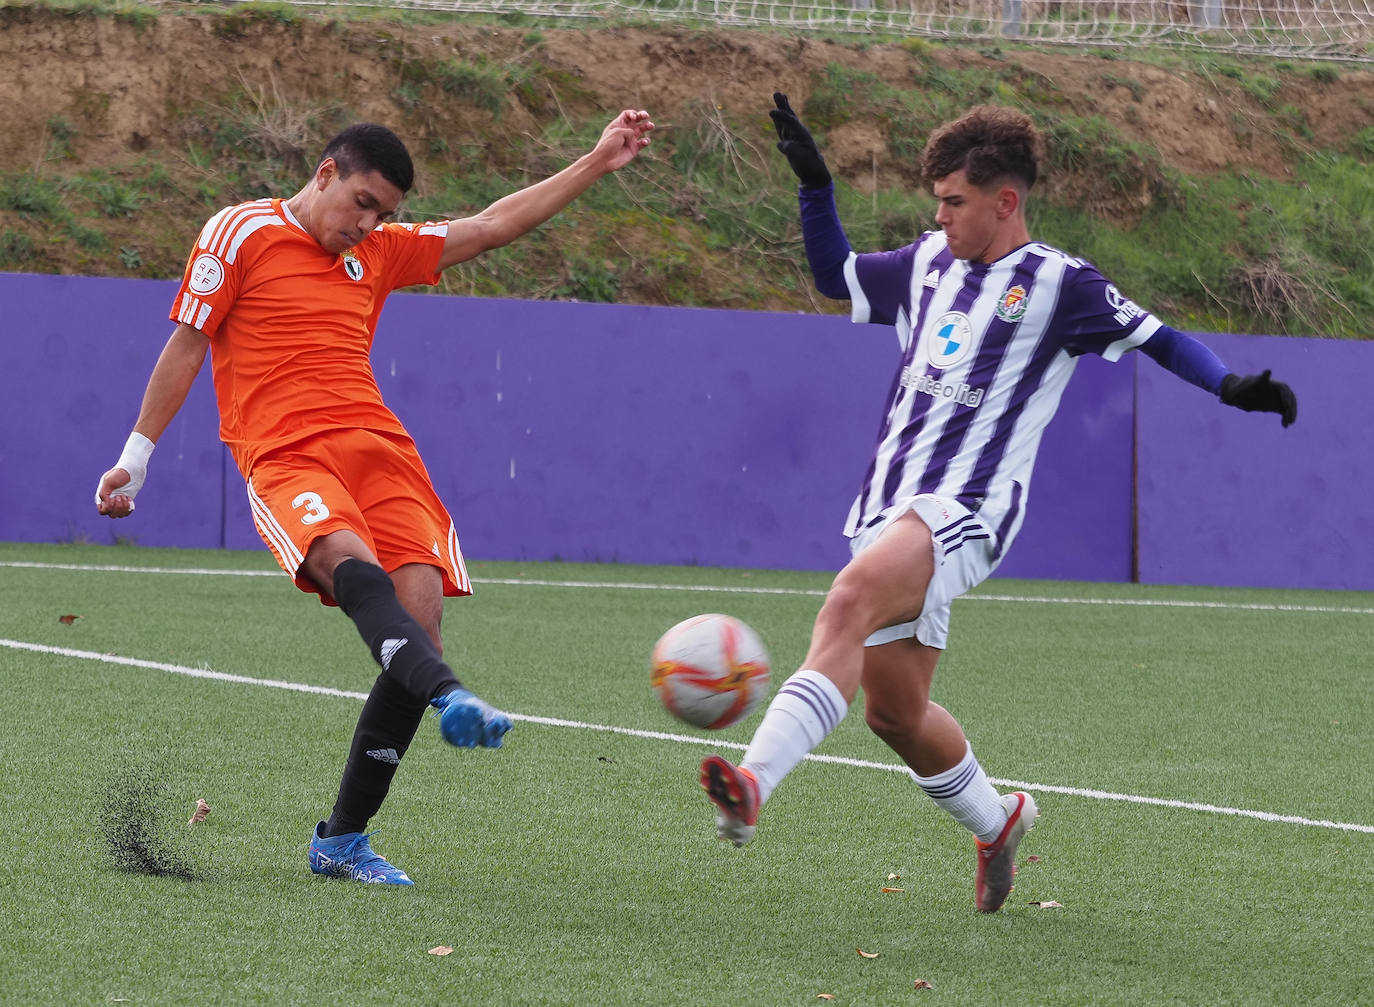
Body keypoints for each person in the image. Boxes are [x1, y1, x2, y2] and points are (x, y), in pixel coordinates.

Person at [700, 95, 1296, 913]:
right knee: (895, 713)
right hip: (887, 505)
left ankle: (752, 783)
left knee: (847, 601)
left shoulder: (1060, 285)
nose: (938, 215)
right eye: (936, 201)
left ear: (1004, 201)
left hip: (970, 508)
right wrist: (813, 185)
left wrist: (1230, 384)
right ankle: (999, 818)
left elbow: (1160, 339)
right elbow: (835, 275)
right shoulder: (925, 264)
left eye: (954, 202)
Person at [95, 110, 655, 886]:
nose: (367, 223)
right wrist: (136, 457)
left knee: (421, 610)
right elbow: (189, 340)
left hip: (381, 454)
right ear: (325, 173)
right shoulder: (239, 234)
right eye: (360, 202)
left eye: (382, 213)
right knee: (347, 564)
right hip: (287, 456)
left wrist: (596, 160)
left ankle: (342, 840)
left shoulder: (381, 253)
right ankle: (450, 694)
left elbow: (491, 226)